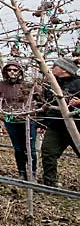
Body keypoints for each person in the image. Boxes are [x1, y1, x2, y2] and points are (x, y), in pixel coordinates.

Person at [0, 61, 38, 181]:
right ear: (6, 72)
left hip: (28, 120)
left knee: (30, 149)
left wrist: (34, 111)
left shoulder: (28, 85)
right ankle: (21, 172)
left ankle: (32, 173)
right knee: (18, 148)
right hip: (11, 121)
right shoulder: (1, 85)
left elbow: (40, 98)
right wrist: (1, 110)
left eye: (15, 70)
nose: (12, 72)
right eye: (9, 70)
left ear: (20, 72)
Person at [37, 58, 80, 187]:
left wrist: (78, 103)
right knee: (48, 152)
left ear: (63, 69)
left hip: (77, 126)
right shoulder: (50, 84)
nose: (52, 68)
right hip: (56, 126)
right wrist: (41, 123)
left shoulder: (79, 83)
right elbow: (44, 104)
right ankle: (50, 182)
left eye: (55, 65)